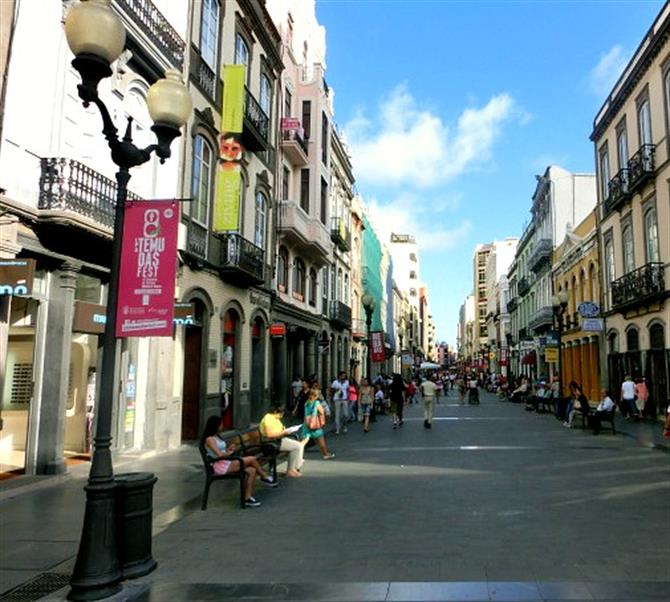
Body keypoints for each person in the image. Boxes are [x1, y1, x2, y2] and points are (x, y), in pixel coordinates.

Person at [201, 415, 276, 508]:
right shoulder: (209, 439)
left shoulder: (217, 437)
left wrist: (229, 450)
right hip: (220, 466)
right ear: (215, 425)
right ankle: (264, 477)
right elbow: (219, 455)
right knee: (252, 459)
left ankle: (247, 498)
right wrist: (229, 453)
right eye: (221, 424)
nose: (222, 426)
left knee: (252, 471)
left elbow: (223, 452)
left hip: (227, 462)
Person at [259, 403, 308, 477]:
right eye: (281, 413)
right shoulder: (268, 418)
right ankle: (291, 470)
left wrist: (286, 431)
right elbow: (270, 434)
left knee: (299, 445)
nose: (282, 415)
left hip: (277, 440)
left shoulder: (275, 418)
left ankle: (294, 468)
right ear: (275, 412)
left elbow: (278, 431)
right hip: (270, 443)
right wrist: (284, 432)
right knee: (297, 446)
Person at [302, 388, 335, 459]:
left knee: (303, 442)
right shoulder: (316, 403)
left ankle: (297, 455)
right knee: (321, 441)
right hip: (315, 425)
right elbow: (322, 412)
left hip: (307, 425)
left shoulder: (306, 403)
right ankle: (326, 454)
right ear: (316, 396)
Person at [331, 371, 350, 435]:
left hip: (344, 399)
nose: (344, 377)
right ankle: (337, 429)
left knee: (346, 414)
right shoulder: (335, 382)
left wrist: (348, 397)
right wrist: (335, 390)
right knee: (337, 414)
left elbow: (347, 390)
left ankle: (344, 425)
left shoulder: (347, 382)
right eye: (342, 376)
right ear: (339, 376)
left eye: (344, 376)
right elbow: (331, 390)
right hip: (337, 399)